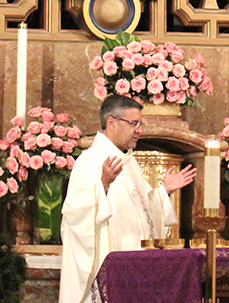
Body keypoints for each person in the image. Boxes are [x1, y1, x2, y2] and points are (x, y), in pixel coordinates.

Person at [59, 95, 196, 303]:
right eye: (133, 123)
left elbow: (143, 215)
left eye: (140, 123)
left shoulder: (129, 163)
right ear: (111, 122)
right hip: (109, 277)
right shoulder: (89, 161)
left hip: (134, 274)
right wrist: (102, 185)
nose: (139, 130)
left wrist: (163, 192)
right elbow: (75, 216)